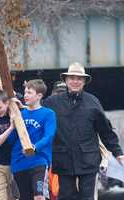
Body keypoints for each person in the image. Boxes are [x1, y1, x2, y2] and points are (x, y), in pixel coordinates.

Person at [42, 62, 124, 200]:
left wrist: (118, 153)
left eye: (79, 78)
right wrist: (17, 102)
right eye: (72, 78)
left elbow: (106, 131)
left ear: (84, 81)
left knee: (87, 197)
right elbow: (33, 109)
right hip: (63, 159)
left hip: (88, 160)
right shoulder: (52, 103)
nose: (75, 81)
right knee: (65, 196)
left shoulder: (93, 102)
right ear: (66, 80)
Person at [9, 79, 57, 200]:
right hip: (19, 162)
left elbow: (49, 136)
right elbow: (12, 140)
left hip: (39, 161)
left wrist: (35, 148)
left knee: (39, 196)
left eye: (29, 92)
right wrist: (11, 125)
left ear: (39, 96)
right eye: (25, 92)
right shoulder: (20, 114)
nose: (25, 95)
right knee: (25, 197)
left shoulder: (48, 114)